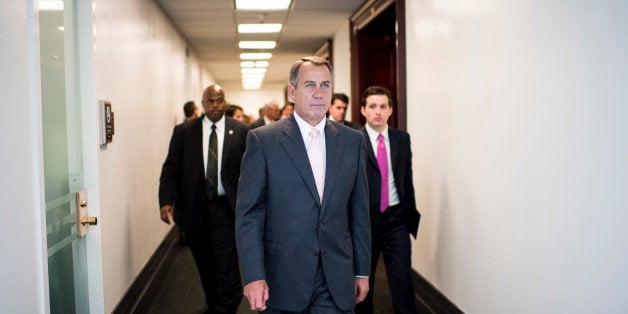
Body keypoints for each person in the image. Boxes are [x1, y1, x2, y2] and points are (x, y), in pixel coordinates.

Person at [236, 56, 371, 313]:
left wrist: (362, 270)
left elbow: (359, 213)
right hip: (282, 277)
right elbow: (249, 214)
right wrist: (253, 275)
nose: (319, 93)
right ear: (292, 92)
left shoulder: (353, 141)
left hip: (335, 277)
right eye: (310, 85)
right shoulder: (263, 141)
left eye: (325, 85)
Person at [159, 84, 249, 313]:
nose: (216, 105)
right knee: (205, 263)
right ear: (202, 104)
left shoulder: (241, 131)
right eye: (211, 101)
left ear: (225, 102)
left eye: (220, 100)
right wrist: (166, 200)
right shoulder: (184, 132)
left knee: (226, 263)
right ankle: (214, 303)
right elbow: (171, 168)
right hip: (194, 208)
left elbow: (252, 171)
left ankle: (227, 306)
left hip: (226, 208)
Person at [354, 86, 421, 314]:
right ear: (363, 110)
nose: (378, 112)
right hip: (365, 223)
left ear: (391, 110)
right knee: (364, 287)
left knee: (402, 283)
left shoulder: (401, 138)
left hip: (396, 220)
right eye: (372, 106)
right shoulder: (354, 141)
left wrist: (410, 214)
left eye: (383, 106)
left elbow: (406, 179)